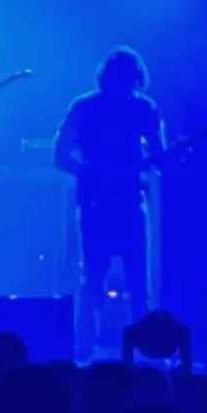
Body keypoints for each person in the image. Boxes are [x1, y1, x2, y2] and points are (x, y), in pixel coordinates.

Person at [53, 46, 167, 348]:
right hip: (97, 205)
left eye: (129, 81)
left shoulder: (144, 109)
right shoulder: (84, 108)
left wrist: (171, 155)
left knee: (137, 284)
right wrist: (90, 173)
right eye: (119, 80)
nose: (124, 87)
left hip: (129, 203)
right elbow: (60, 155)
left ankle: (145, 350)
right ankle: (83, 349)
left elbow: (159, 157)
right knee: (93, 281)